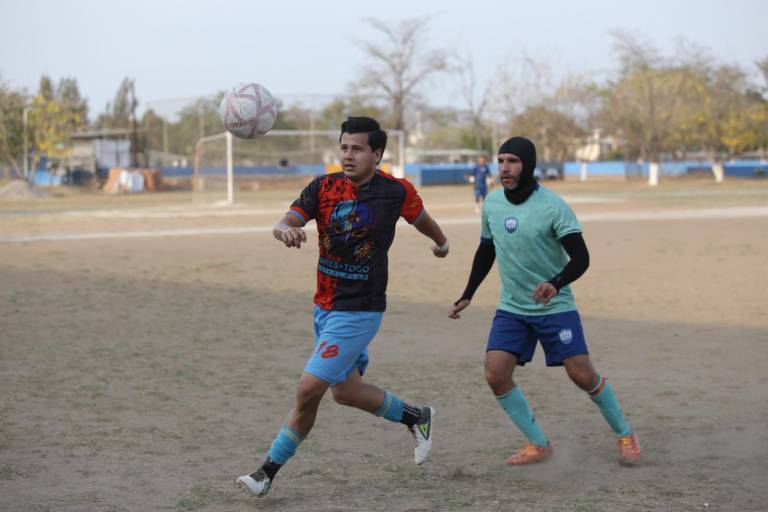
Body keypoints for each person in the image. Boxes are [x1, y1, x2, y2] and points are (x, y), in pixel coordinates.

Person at [237, 117, 450, 497]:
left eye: (357, 149)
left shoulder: (395, 192)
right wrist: (284, 229)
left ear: (377, 154)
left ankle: (266, 471)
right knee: (347, 392)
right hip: (324, 305)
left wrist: (442, 243)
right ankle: (418, 417)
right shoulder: (324, 186)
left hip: (360, 310)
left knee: (308, 390)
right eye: (344, 147)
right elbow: (287, 219)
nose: (348, 155)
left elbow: (422, 220)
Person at [448, 136, 641, 466]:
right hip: (513, 308)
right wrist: (468, 293)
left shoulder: (552, 206)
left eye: (513, 161)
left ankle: (625, 433)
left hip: (555, 307)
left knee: (581, 374)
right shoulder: (493, 204)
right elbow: (486, 250)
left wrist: (556, 283)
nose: (505, 168)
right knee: (495, 374)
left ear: (528, 165)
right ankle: (538, 443)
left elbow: (581, 258)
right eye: (501, 160)